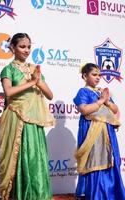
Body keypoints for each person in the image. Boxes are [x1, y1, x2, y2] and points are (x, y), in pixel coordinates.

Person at [0, 33, 55, 200]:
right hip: (17, 120)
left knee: (36, 159)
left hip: (34, 121)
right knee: (22, 158)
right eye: (22, 46)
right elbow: (8, 93)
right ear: (13, 48)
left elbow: (50, 95)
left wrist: (38, 80)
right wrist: (31, 82)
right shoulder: (8, 70)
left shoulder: (33, 69)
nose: (26, 50)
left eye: (29, 46)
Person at [73, 63, 125, 200]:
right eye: (94, 74)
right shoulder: (83, 92)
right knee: (95, 160)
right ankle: (94, 194)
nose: (98, 78)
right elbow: (84, 110)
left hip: (107, 132)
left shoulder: (101, 91)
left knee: (109, 159)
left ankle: (109, 193)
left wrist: (107, 101)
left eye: (99, 75)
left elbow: (114, 110)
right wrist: (101, 101)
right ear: (85, 76)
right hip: (92, 132)